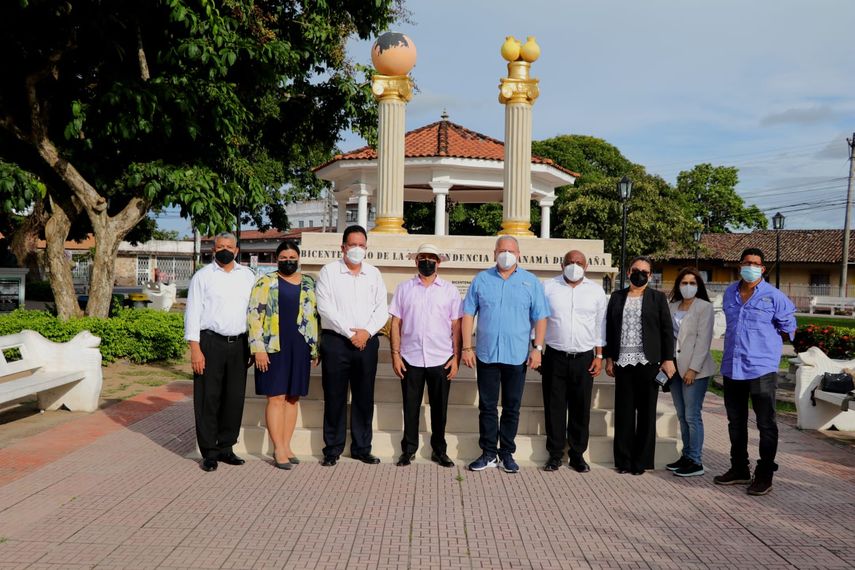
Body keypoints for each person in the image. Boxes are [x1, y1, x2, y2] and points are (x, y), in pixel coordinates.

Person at [462, 236, 549, 473]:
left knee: (512, 406)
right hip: (486, 354)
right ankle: (488, 453)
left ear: (519, 255)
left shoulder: (530, 282)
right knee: (488, 406)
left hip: (517, 355)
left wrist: (538, 349)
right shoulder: (481, 280)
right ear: (494, 253)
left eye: (511, 250)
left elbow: (540, 317)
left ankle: (506, 453)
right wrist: (466, 347)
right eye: (502, 250)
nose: (506, 254)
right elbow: (468, 313)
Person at [714, 248, 796, 495]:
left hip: (761, 369)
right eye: (747, 262)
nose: (751, 266)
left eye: (756, 263)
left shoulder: (774, 296)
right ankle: (739, 468)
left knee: (765, 423)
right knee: (735, 422)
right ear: (740, 265)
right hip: (732, 367)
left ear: (763, 268)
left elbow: (789, 327)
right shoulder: (730, 292)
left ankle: (764, 475)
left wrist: (767, 343)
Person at [315, 225, 388, 466]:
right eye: (352, 245)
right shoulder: (329, 272)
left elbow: (381, 309)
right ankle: (332, 448)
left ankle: (362, 447)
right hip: (337, 342)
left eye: (361, 245)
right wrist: (350, 333)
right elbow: (325, 307)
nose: (357, 249)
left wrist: (366, 332)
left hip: (367, 342)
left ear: (366, 248)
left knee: (364, 397)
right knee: (334, 396)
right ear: (343, 247)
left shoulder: (374, 274)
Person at [184, 232, 256, 472]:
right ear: (213, 250)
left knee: (233, 398)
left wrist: (254, 346)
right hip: (210, 343)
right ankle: (209, 451)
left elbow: (254, 312)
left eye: (229, 246)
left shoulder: (247, 276)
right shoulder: (203, 277)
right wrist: (195, 349)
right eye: (220, 246)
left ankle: (226, 447)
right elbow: (192, 314)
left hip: (239, 343)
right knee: (209, 398)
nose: (224, 250)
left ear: (236, 250)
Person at [247, 241, 319, 470]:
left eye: (293, 257)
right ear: (277, 259)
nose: (289, 261)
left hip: (300, 346)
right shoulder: (266, 282)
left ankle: (287, 446)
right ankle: (277, 448)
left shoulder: (309, 282)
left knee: (292, 398)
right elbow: (254, 315)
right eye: (284, 257)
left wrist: (314, 347)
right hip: (273, 347)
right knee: (276, 397)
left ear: (299, 258)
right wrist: (257, 348)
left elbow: (314, 317)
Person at [389, 243, 462, 468]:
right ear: (416, 261)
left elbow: (456, 326)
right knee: (410, 406)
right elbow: (396, 322)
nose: (427, 262)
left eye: (432, 258)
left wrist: (456, 357)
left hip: (441, 358)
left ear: (439, 262)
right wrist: (395, 354)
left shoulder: (449, 290)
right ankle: (408, 450)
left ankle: (439, 450)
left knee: (440, 408)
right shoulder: (404, 288)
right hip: (410, 358)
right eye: (423, 258)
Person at [604, 255, 675, 475]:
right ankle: (624, 461)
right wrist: (609, 358)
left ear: (650, 275)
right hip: (623, 362)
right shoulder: (616, 297)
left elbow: (666, 330)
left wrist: (668, 359)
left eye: (645, 271)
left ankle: (641, 462)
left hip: (649, 362)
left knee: (646, 414)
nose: (640, 274)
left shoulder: (657, 298)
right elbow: (609, 329)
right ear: (628, 272)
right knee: (624, 413)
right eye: (636, 270)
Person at [541, 250, 607, 473]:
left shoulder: (596, 291)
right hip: (555, 356)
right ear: (562, 265)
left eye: (579, 262)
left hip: (584, 357)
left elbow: (600, 326)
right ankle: (555, 454)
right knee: (554, 407)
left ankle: (577, 454)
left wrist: (599, 356)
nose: (574, 266)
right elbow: (538, 320)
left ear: (586, 266)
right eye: (570, 262)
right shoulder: (548, 288)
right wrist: (536, 349)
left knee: (581, 407)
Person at [666, 267, 717, 477]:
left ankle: (696, 460)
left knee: (692, 415)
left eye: (692, 283)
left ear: (699, 285)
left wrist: (693, 369)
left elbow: (703, 341)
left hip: (695, 370)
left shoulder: (704, 307)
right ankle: (686, 455)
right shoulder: (672, 306)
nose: (688, 287)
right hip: (674, 368)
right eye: (684, 283)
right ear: (678, 285)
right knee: (681, 414)